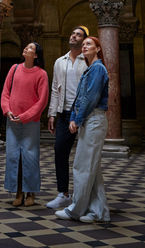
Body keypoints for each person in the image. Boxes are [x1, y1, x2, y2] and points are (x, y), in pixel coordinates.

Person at [55, 36, 110, 223]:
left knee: (82, 167)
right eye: (83, 44)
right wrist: (73, 117)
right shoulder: (89, 70)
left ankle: (75, 210)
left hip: (93, 118)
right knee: (92, 169)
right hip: (88, 118)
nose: (84, 46)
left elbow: (91, 97)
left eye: (89, 44)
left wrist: (77, 120)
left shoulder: (98, 69)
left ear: (98, 49)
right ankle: (99, 212)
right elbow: (79, 97)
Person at [1, 42, 49, 206]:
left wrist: (25, 116)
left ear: (36, 55)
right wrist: (7, 110)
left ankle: (31, 193)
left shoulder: (41, 74)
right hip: (12, 121)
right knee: (14, 157)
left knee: (30, 157)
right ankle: (18, 192)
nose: (26, 49)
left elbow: (41, 102)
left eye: (30, 48)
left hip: (30, 123)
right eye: (26, 47)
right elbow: (5, 92)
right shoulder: (14, 69)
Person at [46, 26, 89, 209]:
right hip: (64, 114)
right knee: (60, 152)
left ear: (84, 41)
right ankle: (63, 194)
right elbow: (55, 88)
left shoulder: (88, 61)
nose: (73, 36)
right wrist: (52, 113)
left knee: (85, 156)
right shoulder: (59, 62)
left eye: (78, 34)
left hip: (83, 114)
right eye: (72, 33)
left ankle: (84, 197)